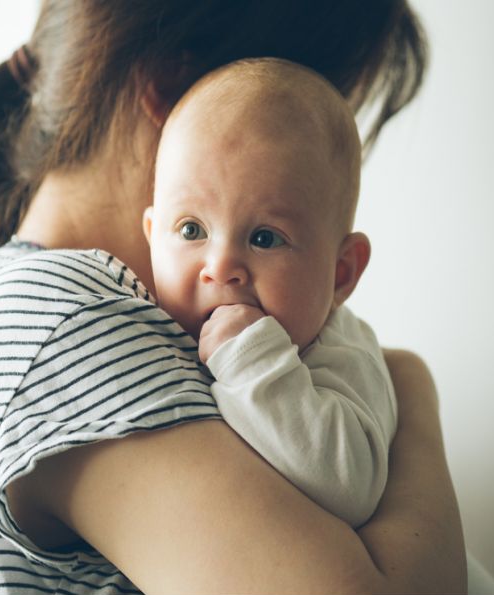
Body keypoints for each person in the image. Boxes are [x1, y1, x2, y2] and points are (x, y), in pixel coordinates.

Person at [0, 1, 469, 595]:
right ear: (180, 89)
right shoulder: (66, 321)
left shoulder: (56, 311)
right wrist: (409, 388)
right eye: (290, 100)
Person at [144, 57, 394, 527]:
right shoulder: (145, 323)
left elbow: (350, 488)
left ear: (341, 274)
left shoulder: (341, 356)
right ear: (152, 235)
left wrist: (252, 360)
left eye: (264, 238)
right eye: (191, 229)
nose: (219, 267)